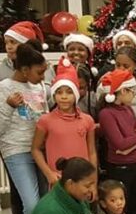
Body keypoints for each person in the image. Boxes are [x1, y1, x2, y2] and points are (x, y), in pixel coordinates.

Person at [0, 40, 50, 214]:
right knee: (32, 204)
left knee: (46, 203)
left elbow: (45, 117)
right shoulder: (4, 87)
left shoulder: (40, 87)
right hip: (16, 151)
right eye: (39, 72)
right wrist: (9, 106)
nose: (43, 77)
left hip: (40, 150)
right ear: (25, 70)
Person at [97, 69, 136, 214]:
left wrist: (134, 140)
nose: (134, 94)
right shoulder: (106, 114)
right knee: (120, 202)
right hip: (119, 167)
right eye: (132, 90)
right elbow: (120, 144)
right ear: (122, 91)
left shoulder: (127, 109)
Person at [32, 56, 97, 190]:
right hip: (58, 182)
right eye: (59, 92)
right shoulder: (46, 121)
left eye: (69, 92)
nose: (64, 96)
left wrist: (93, 182)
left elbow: (92, 152)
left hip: (83, 183)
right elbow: (35, 149)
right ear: (54, 95)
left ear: (76, 94)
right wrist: (48, 173)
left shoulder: (87, 120)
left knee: (81, 211)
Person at [0, 21, 54, 88]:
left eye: (13, 42)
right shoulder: (2, 67)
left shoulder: (43, 66)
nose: (8, 47)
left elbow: (49, 92)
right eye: (6, 43)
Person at [60, 33, 98, 114]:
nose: (76, 52)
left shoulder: (92, 74)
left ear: (88, 53)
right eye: (72, 49)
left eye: (81, 50)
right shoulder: (58, 70)